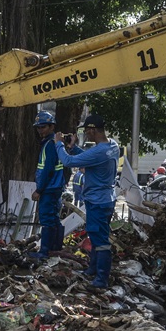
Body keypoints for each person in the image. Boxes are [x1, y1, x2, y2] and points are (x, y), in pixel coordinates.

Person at [55, 114, 120, 289]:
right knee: (96, 235)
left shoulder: (98, 151)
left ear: (92, 130)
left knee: (100, 241)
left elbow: (68, 162)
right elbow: (90, 158)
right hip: (107, 198)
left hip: (97, 201)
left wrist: (59, 144)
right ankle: (93, 269)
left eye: (87, 131)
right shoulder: (112, 145)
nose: (87, 135)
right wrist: (74, 147)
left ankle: (101, 278)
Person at [31, 110, 66, 260]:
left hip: (49, 188)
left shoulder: (50, 145)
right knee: (54, 219)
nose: (40, 130)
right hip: (54, 187)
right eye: (38, 127)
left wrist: (39, 189)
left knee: (47, 219)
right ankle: (55, 249)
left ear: (52, 127)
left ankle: (45, 251)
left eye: (43, 127)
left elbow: (48, 169)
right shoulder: (52, 143)